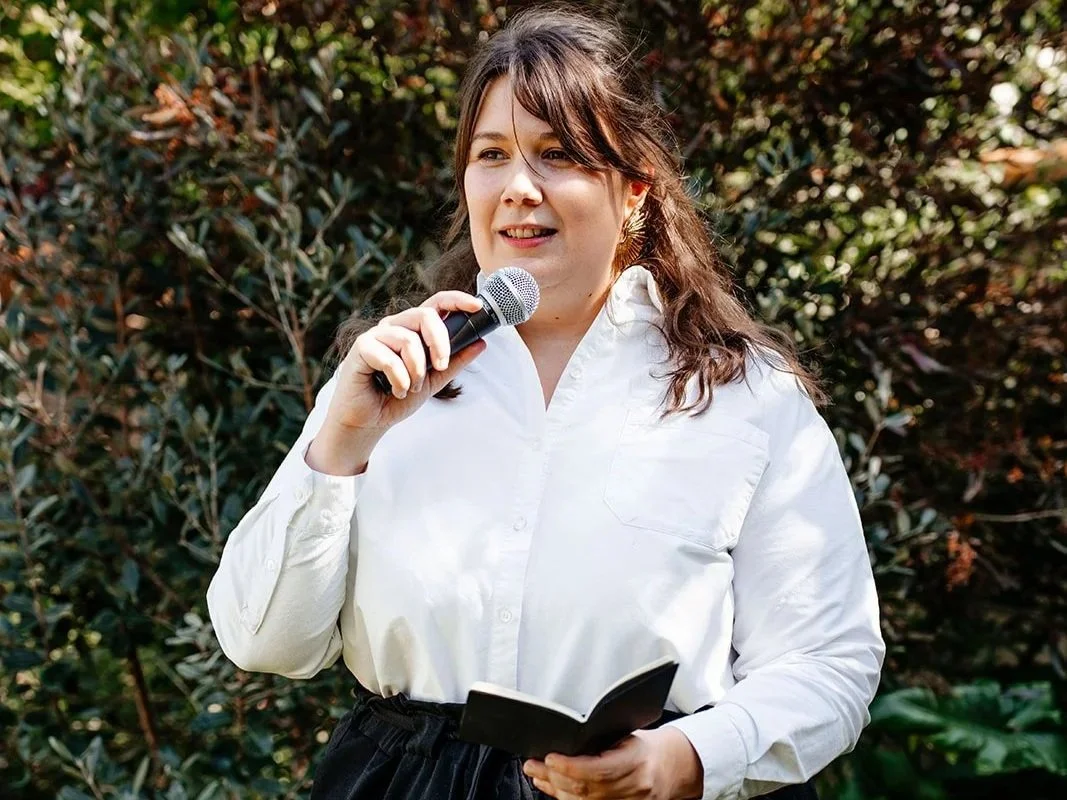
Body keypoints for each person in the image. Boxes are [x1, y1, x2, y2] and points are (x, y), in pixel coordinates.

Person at [206, 6, 884, 800]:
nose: (518, 189)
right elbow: (262, 641)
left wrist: (685, 759)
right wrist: (341, 445)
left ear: (634, 190)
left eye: (557, 154)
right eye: (491, 155)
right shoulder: (390, 378)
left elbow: (828, 663)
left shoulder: (744, 398)